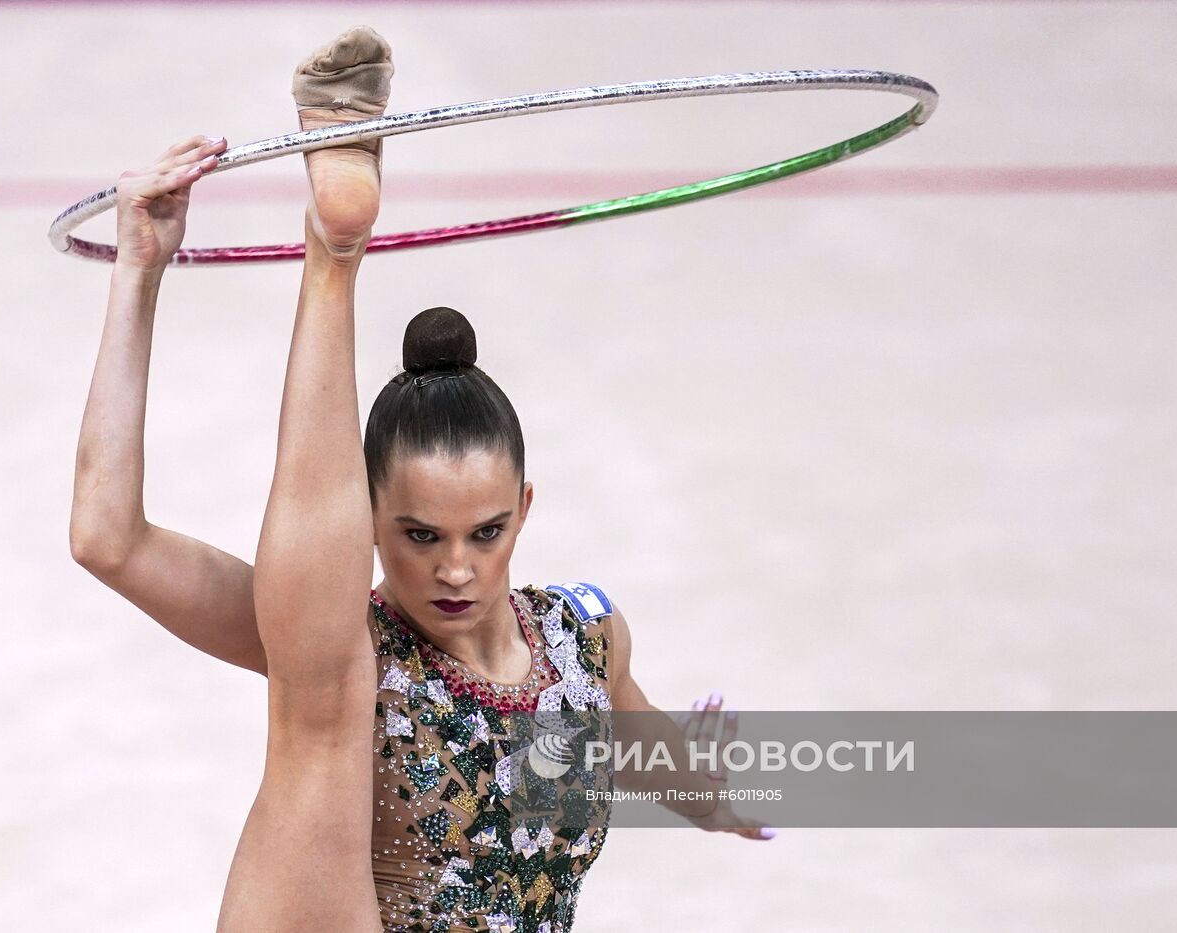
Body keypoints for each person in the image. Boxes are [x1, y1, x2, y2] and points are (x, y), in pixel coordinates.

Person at [69, 25, 771, 933]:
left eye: (484, 532)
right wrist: (139, 272)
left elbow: (655, 758)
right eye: (417, 534)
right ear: (366, 522)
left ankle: (337, 241)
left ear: (524, 512)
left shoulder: (587, 638)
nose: (453, 570)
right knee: (326, 676)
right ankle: (335, 250)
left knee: (326, 666)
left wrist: (711, 790)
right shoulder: (345, 647)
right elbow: (106, 537)